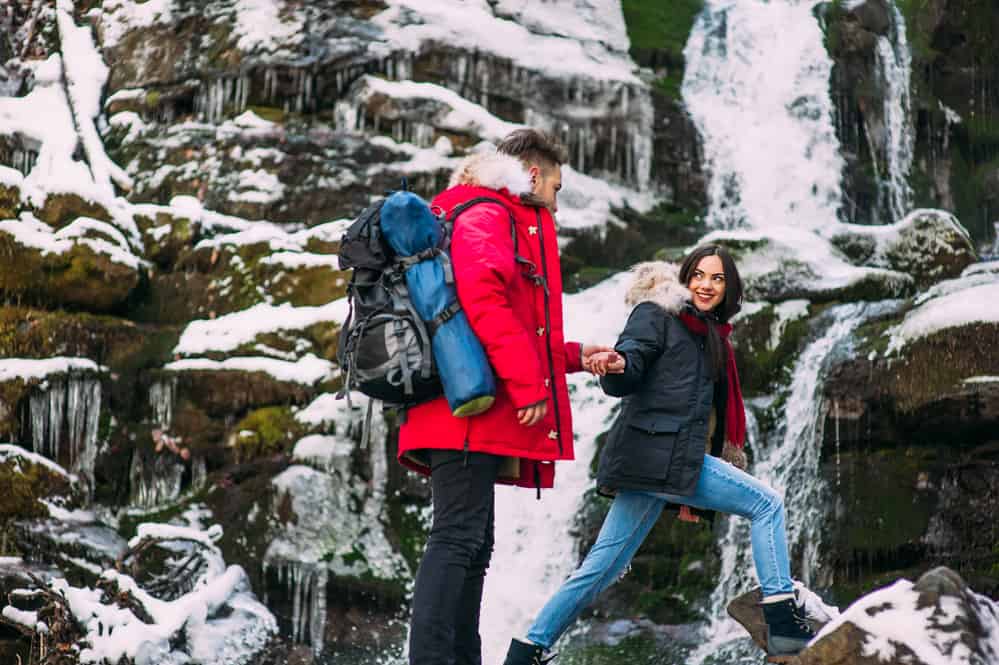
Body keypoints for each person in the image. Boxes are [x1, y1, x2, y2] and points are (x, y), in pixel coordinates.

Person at [503, 245, 817, 664]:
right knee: (767, 504)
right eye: (700, 275)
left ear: (729, 288)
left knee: (603, 567)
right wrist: (616, 364)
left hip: (650, 459)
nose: (706, 285)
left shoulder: (706, 334)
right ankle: (782, 621)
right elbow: (632, 360)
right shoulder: (658, 313)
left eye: (718, 278)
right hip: (663, 453)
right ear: (684, 277)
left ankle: (527, 650)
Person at [397, 129, 616, 665]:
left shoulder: (478, 212)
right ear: (534, 175)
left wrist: (572, 355)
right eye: (557, 189)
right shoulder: (487, 214)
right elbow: (482, 300)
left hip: (472, 401)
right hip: (466, 408)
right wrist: (527, 385)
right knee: (456, 538)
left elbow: (518, 326)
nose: (558, 205)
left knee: (474, 544)